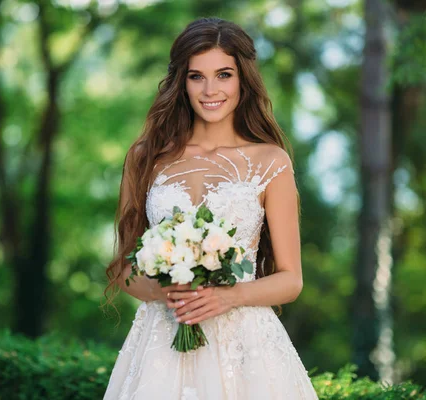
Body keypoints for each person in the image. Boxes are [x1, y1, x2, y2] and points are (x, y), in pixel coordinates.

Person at [103, 17, 318, 400]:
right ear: (180, 82)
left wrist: (226, 295)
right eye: (196, 76)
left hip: (247, 349)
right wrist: (163, 291)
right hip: (162, 343)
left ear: (243, 79)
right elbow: (124, 268)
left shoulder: (271, 161)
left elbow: (290, 279)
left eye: (223, 74)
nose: (210, 90)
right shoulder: (145, 158)